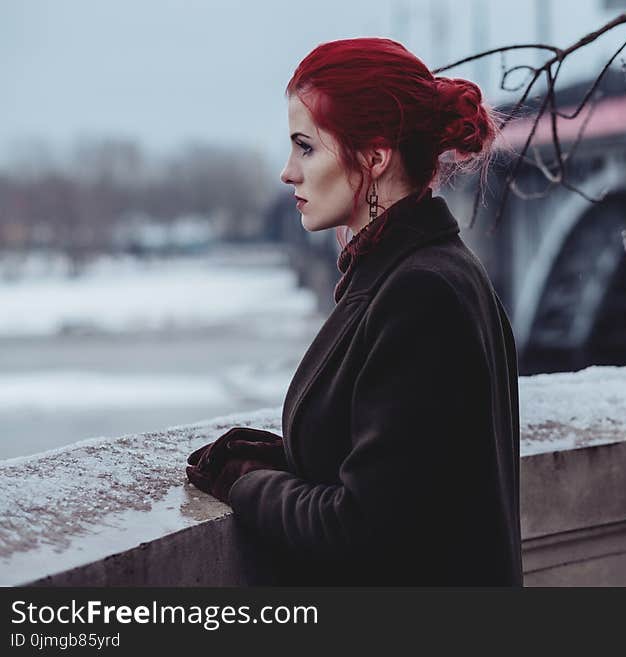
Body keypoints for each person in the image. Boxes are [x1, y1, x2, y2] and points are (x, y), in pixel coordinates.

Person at [185, 37, 522, 586]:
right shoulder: (424, 272)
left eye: (306, 147)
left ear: (374, 156)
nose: (287, 172)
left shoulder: (422, 295)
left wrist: (245, 483)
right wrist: (281, 459)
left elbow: (364, 529)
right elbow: (406, 474)